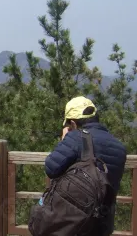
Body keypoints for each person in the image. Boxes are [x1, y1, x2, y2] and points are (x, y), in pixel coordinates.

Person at [37, 96, 127, 235]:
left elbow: (51, 168)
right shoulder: (119, 147)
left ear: (72, 123)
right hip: (102, 223)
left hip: (74, 222)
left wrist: (65, 139)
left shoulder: (75, 138)